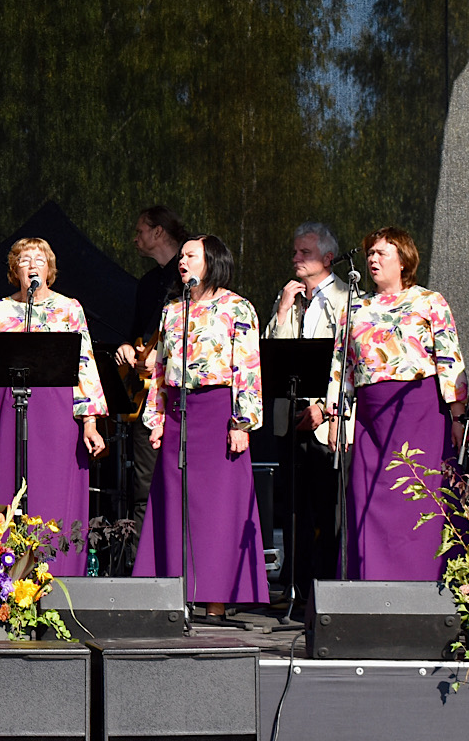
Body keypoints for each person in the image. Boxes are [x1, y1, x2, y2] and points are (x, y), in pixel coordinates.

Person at [132, 235, 268, 619]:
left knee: (218, 507)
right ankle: (175, 592)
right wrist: (157, 418)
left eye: (191, 255)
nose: (182, 261)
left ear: (212, 260)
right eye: (181, 256)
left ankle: (215, 600)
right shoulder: (173, 310)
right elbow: (160, 370)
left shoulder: (237, 307)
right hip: (179, 413)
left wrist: (242, 422)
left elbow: (248, 368)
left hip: (217, 412)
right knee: (175, 504)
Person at [328, 226, 467, 581]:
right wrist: (337, 415)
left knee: (418, 496)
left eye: (381, 253)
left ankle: (424, 579)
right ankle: (372, 583)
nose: (373, 259)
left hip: (418, 410)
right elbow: (342, 365)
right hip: (370, 416)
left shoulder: (429, 301)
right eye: (370, 253)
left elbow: (449, 359)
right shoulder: (354, 307)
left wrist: (458, 416)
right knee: (369, 498)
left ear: (403, 260)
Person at [0, 239, 107, 575]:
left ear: (50, 268)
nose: (32, 265)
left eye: (39, 259)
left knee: (51, 491)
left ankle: (54, 574)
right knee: (3, 490)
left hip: (55, 410)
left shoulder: (69, 308)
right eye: (24, 259)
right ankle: (2, 578)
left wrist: (89, 421)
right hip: (4, 407)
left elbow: (85, 365)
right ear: (14, 269)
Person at [263, 222, 349, 598]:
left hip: (326, 418)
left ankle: (326, 585)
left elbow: (347, 362)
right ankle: (294, 582)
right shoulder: (290, 297)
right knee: (293, 503)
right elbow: (273, 354)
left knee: (326, 503)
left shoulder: (346, 299)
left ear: (327, 258)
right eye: (295, 252)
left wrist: (325, 410)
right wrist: (283, 311)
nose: (296, 258)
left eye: (305, 252)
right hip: (290, 412)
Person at [113, 206, 189, 541]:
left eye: (140, 230)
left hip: (183, 396)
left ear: (159, 231)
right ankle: (141, 559)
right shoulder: (147, 283)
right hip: (148, 398)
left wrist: (164, 356)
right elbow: (136, 332)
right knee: (144, 482)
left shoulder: (188, 281)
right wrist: (127, 347)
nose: (135, 238)